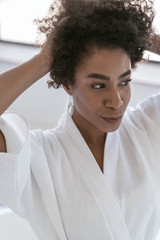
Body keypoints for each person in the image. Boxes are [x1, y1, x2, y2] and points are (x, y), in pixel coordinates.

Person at [0, 0, 160, 239]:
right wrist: (45, 59)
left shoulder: (148, 126)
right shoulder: (38, 157)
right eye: (98, 85)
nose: (116, 101)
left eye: (124, 82)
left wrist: (137, 34)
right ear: (67, 84)